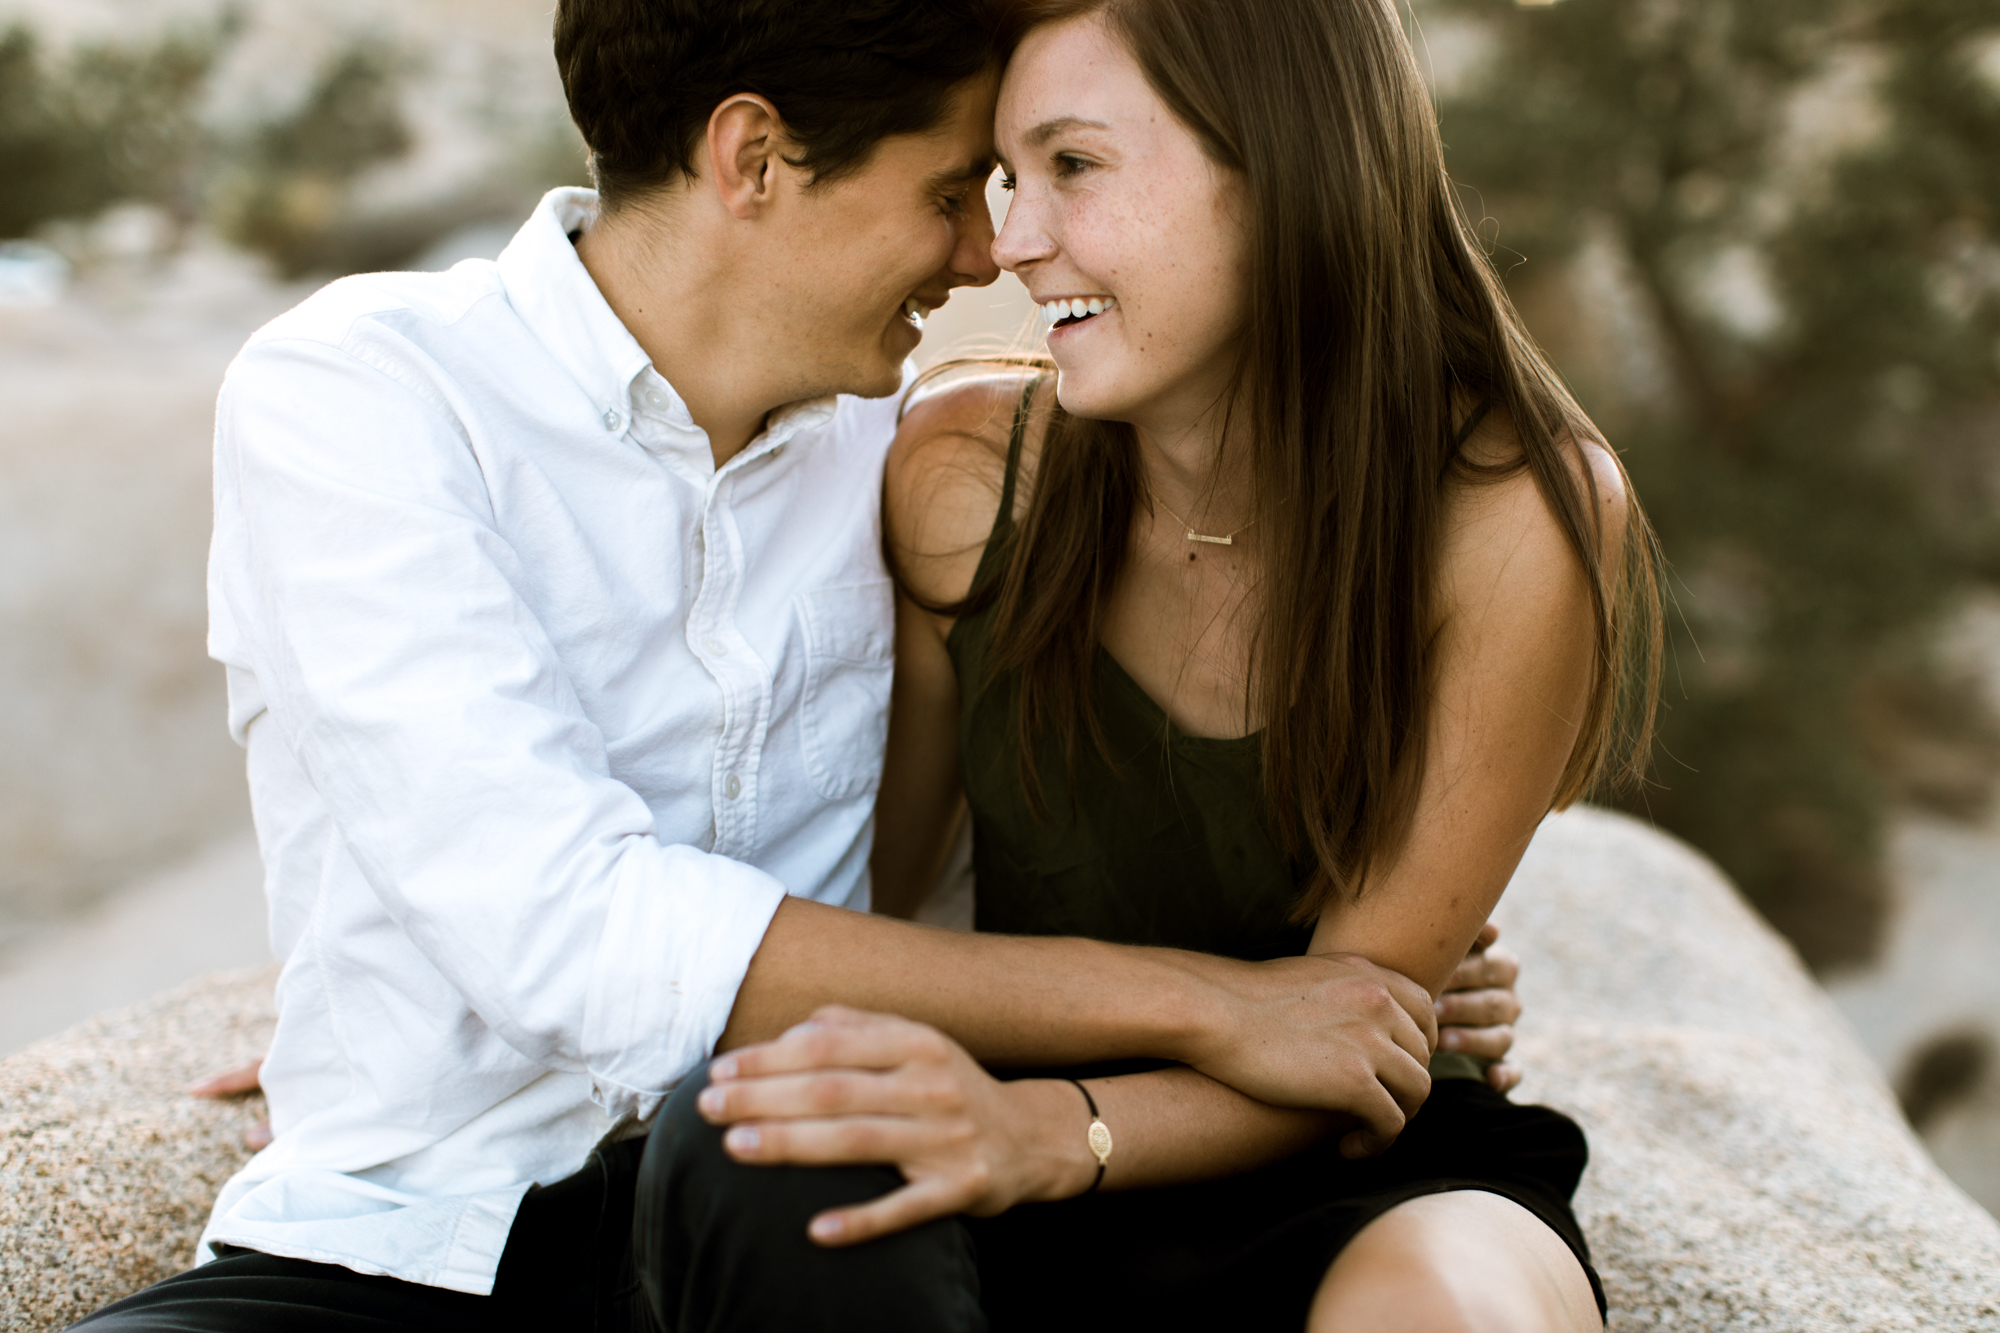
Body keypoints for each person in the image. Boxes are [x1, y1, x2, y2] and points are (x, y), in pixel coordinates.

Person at [73, 2, 1521, 1330]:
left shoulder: (915, 467)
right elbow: (559, 929)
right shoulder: (364, 389)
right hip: (396, 1246)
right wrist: (1216, 1003)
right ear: (754, 157)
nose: (985, 252)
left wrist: (1370, 969)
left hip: (783, 1212)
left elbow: (1009, 827)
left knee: (789, 1121)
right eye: (953, 190)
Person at [667, 0, 1663, 1329]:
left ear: (1285, 164)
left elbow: (1354, 1042)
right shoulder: (967, 479)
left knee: (1444, 1303)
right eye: (1012, 182)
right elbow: (861, 892)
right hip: (1006, 1160)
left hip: (1353, 1167)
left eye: (1074, 167)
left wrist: (1052, 1132)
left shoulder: (1511, 513)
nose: (1015, 243)